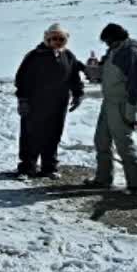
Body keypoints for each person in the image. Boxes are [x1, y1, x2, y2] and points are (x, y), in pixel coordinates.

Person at [14, 23, 84, 179]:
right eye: (54, 38)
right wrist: (22, 100)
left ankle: (49, 167)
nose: (57, 41)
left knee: (53, 134)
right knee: (31, 135)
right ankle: (26, 168)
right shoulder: (34, 56)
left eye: (61, 39)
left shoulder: (68, 56)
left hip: (59, 104)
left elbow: (74, 77)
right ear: (47, 39)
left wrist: (78, 93)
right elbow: (22, 79)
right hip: (35, 103)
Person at [84, 23, 137, 194]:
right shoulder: (113, 52)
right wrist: (94, 69)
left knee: (123, 143)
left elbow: (135, 88)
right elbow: (103, 75)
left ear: (117, 39)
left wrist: (130, 113)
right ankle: (103, 179)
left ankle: (134, 184)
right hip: (108, 102)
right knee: (101, 140)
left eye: (109, 41)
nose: (107, 45)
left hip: (121, 104)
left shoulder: (132, 56)